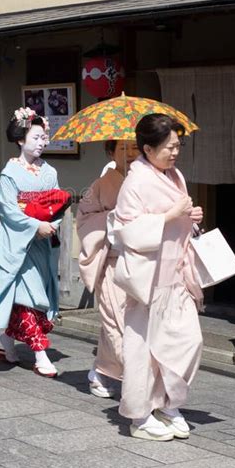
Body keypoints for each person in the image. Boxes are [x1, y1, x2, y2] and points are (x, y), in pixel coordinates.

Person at [108, 113, 204, 441]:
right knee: (145, 349)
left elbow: (180, 222)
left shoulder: (175, 176)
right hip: (149, 280)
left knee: (189, 341)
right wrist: (168, 216)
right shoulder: (134, 182)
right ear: (147, 149)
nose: (174, 153)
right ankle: (139, 415)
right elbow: (125, 231)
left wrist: (190, 218)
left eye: (177, 146)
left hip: (176, 273)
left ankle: (167, 403)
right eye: (168, 147)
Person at [0, 107, 63, 378]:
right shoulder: (10, 173)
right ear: (21, 139)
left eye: (44, 137)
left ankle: (8, 341)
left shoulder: (50, 172)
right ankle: (41, 354)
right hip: (18, 246)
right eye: (35, 137)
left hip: (42, 244)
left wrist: (52, 224)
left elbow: (57, 204)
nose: (41, 142)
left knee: (35, 299)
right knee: (26, 299)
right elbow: (8, 210)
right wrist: (35, 225)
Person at [77, 139, 139, 398]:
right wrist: (112, 216)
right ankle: (136, 380)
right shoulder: (101, 184)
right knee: (116, 321)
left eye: (135, 147)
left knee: (132, 324)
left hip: (141, 264)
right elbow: (85, 216)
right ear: (111, 152)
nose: (130, 153)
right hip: (113, 261)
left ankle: (100, 373)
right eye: (123, 148)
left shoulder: (148, 181)